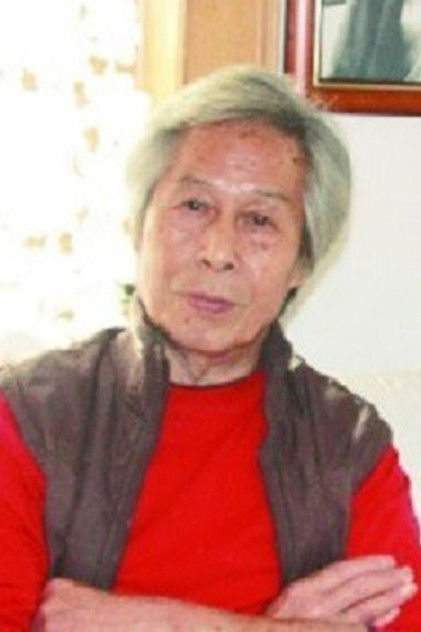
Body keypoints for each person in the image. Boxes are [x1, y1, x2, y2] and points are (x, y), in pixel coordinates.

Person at [0, 66, 420, 631]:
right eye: (194, 206)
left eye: (259, 220)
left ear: (302, 263)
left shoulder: (346, 445)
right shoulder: (31, 418)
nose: (218, 251)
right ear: (138, 225)